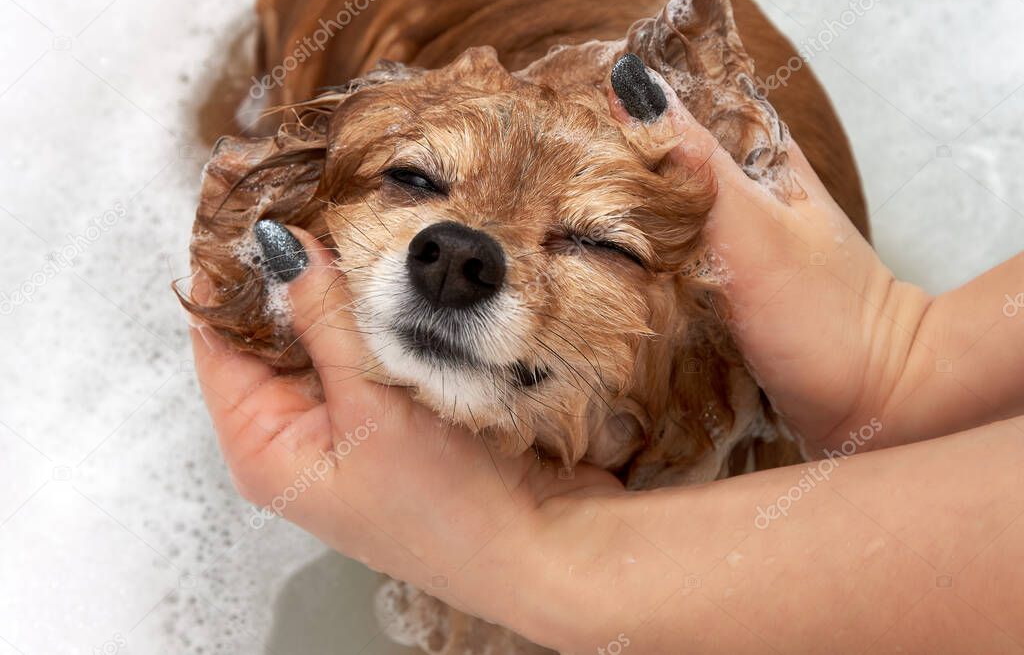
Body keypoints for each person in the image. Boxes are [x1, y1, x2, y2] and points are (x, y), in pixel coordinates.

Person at [189, 67, 1024, 653]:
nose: (457, 250)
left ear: (707, 359)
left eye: (597, 239)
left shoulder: (725, 378)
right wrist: (895, 360)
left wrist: (543, 553)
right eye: (414, 180)